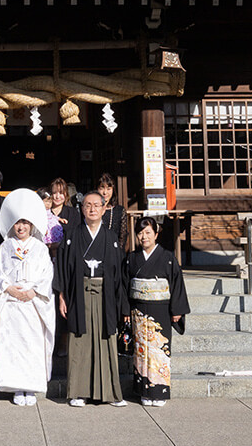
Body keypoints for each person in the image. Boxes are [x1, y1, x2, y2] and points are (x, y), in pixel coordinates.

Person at [54, 190, 128, 407]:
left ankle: (109, 393)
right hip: (79, 292)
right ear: (81, 209)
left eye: (97, 205)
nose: (92, 209)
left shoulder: (111, 237)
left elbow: (119, 274)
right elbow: (62, 268)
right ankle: (78, 392)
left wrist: (122, 304)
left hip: (105, 294)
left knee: (106, 340)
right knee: (80, 341)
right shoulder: (72, 236)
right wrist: (62, 295)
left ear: (104, 209)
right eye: (88, 205)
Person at [0, 188, 56, 406]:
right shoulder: (5, 246)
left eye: (25, 223)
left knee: (32, 345)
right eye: (17, 223)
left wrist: (33, 292)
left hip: (33, 303)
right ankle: (16, 387)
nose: (21, 227)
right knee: (12, 345)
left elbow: (47, 273)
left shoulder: (40, 248)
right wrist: (10, 290)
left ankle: (32, 387)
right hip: (11, 303)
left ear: (32, 225)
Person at [124, 217, 189, 406]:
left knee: (159, 351)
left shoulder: (168, 258)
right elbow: (124, 285)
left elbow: (177, 284)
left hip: (161, 310)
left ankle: (159, 393)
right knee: (141, 351)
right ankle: (143, 392)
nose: (143, 237)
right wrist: (125, 309)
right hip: (138, 310)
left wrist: (176, 310)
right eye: (140, 233)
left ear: (156, 234)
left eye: (148, 233)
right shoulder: (131, 259)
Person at [97, 172, 127, 247]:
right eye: (102, 188)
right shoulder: (91, 210)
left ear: (113, 190)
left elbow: (122, 237)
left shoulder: (119, 211)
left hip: (114, 250)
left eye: (108, 189)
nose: (105, 192)